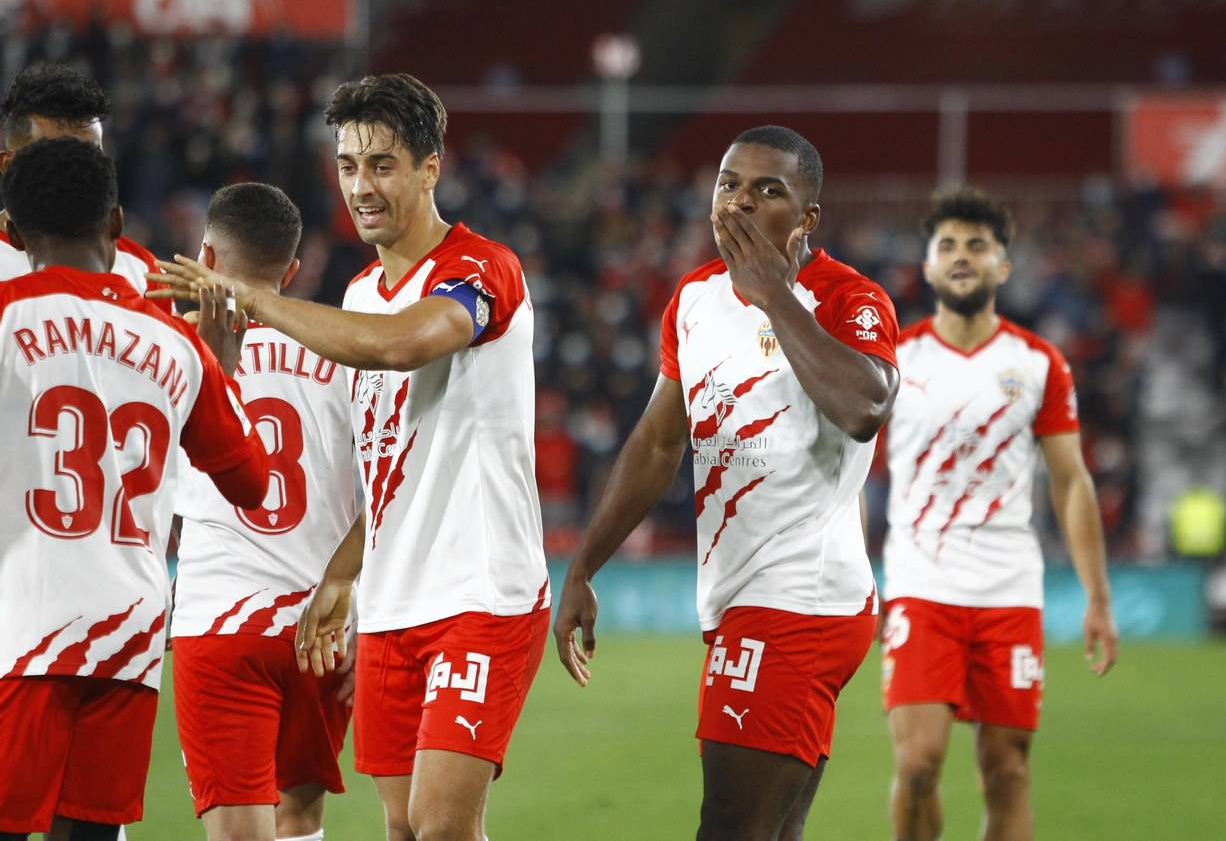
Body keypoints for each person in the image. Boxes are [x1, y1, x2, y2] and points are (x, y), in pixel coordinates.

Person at [151, 73, 548, 841]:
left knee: (439, 827)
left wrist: (246, 295)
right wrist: (341, 573)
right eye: (348, 165)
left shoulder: (482, 269)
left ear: (431, 167)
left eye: (382, 165)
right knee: (401, 828)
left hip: (482, 590)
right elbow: (387, 462)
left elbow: (406, 345)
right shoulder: (361, 293)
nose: (360, 186)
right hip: (393, 604)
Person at [554, 125, 899, 841]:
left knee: (728, 828)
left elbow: (866, 406)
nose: (738, 203)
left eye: (767, 190)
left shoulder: (848, 298)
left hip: (797, 599)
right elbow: (657, 441)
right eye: (728, 184)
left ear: (806, 218)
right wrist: (584, 566)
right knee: (768, 830)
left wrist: (776, 294)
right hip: (745, 594)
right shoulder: (695, 299)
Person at [0, 137, 269, 841]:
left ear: (13, 232)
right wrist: (221, 366)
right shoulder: (178, 344)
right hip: (128, 633)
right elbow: (250, 480)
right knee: (87, 835)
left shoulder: (4, 316)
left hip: (21, 627)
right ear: (117, 225)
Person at [881, 188, 1118, 841]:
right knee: (919, 760)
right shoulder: (895, 362)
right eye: (948, 246)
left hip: (1010, 587)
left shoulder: (1039, 364)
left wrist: (1097, 597)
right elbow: (847, 478)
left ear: (1003, 267)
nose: (963, 257)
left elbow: (1071, 483)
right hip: (920, 585)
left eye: (977, 246)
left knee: (1007, 769)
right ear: (927, 267)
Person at [169, 184, 360, 841]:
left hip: (220, 620)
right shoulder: (347, 354)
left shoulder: (172, 352)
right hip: (321, 628)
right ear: (292, 272)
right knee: (301, 818)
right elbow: (384, 494)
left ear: (205, 258)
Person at [0, 65, 160, 291]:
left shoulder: (144, 272)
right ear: (9, 165)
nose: (75, 170)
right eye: (54, 157)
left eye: (90, 155)